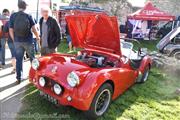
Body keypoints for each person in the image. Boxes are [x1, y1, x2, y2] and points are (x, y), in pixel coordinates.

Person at [9, 0, 40, 84]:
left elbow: (10, 30)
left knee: (19, 60)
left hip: (17, 42)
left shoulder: (13, 16)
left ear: (18, 6)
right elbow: (34, 29)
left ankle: (19, 77)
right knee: (32, 59)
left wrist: (14, 39)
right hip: (28, 41)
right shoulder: (29, 15)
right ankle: (33, 76)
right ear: (25, 6)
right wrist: (37, 37)